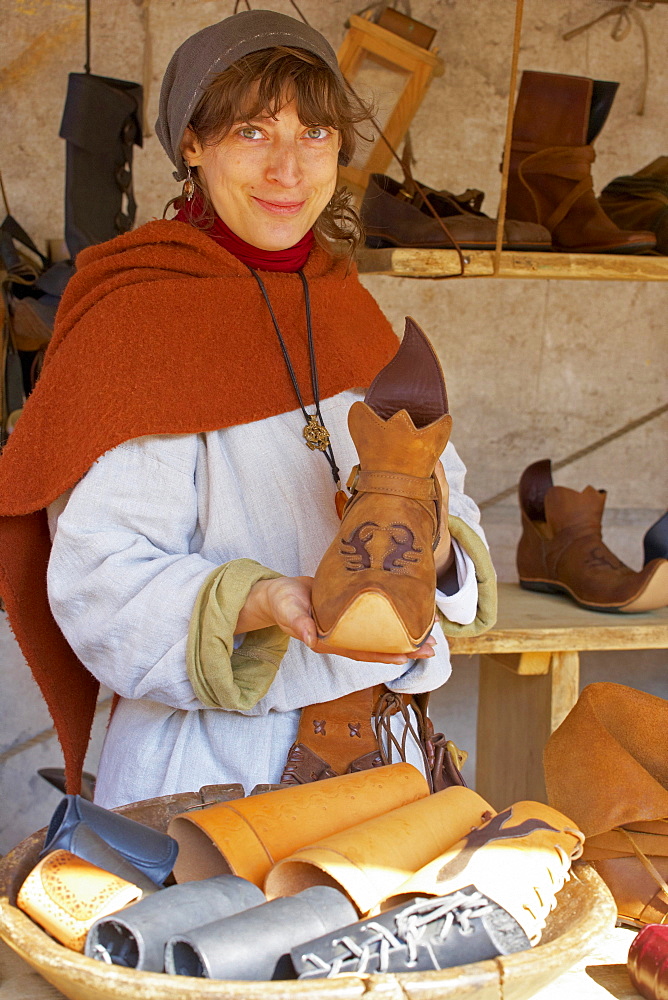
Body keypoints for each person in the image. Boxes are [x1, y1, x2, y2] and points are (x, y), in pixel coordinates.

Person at [0, 10, 495, 809]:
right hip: (217, 777)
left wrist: (432, 543)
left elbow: (452, 500)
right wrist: (257, 600)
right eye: (253, 133)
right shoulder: (140, 321)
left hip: (388, 762)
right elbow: (100, 580)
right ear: (192, 145)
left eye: (315, 135)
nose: (289, 170)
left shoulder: (345, 309)